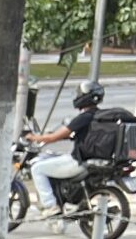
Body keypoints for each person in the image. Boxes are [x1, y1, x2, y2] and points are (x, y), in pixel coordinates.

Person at [23, 85, 106, 217]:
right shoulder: (99, 115)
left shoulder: (83, 117)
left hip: (79, 161)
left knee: (37, 168)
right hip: (93, 159)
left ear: (84, 97)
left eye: (79, 94)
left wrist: (34, 137)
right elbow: (77, 135)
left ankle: (51, 205)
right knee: (54, 160)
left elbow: (54, 137)